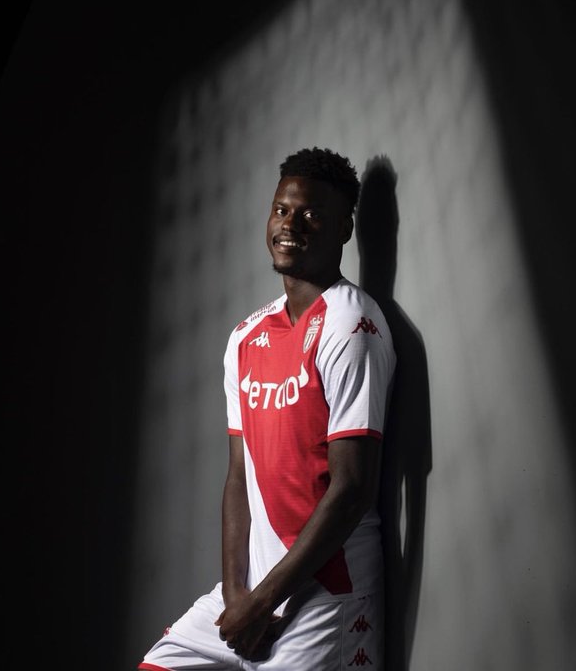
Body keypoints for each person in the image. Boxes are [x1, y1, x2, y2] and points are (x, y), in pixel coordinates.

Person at [138, 147, 396, 670]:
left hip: (326, 596)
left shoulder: (352, 326)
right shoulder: (245, 336)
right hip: (254, 589)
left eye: (311, 214)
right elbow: (239, 475)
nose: (290, 225)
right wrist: (238, 596)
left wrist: (262, 604)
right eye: (281, 210)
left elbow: (351, 490)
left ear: (344, 229)